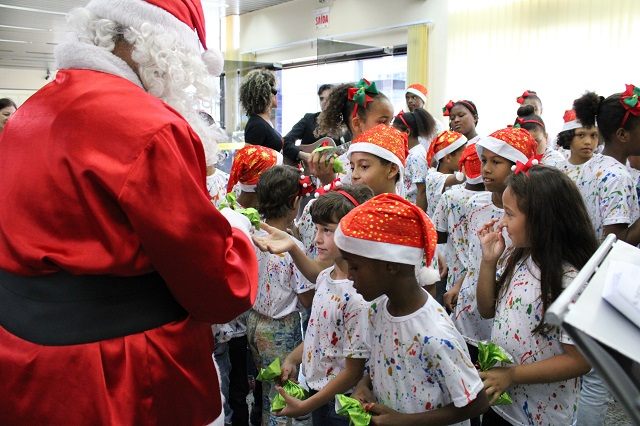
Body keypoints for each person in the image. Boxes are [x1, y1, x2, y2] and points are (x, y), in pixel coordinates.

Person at [0, 1, 258, 424]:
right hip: (120, 372)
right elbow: (215, 285)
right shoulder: (149, 125)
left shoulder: (30, 111)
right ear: (167, 48)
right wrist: (237, 230)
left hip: (26, 359)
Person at [336, 193, 489, 425]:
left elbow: (478, 402)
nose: (349, 275)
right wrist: (364, 385)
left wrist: (405, 421)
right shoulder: (378, 309)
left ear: (391, 266)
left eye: (355, 267)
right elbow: (388, 365)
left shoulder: (436, 335)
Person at [476, 165, 596, 425]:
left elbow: (579, 360)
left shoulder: (569, 282)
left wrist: (512, 375)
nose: (502, 222)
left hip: (541, 417)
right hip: (504, 406)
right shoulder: (519, 256)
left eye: (509, 214)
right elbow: (486, 310)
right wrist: (488, 261)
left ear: (542, 220)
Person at [253, 184, 374, 425]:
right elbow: (317, 335)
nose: (317, 238)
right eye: (317, 228)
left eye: (327, 230)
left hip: (342, 403)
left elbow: (353, 373)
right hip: (318, 393)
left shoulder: (358, 297)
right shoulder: (324, 277)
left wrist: (307, 405)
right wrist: (292, 359)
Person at [571, 86, 640, 426]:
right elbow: (615, 243)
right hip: (602, 280)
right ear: (623, 135)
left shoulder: (592, 166)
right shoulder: (618, 176)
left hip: (582, 273)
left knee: (587, 377)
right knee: (597, 380)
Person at [445, 127, 538, 375]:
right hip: (468, 309)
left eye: (496, 162)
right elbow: (474, 257)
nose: (485, 169)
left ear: (518, 167)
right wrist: (458, 285)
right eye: (484, 160)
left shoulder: (527, 216)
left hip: (500, 317)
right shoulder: (474, 205)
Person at [248, 165, 316, 426]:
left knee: (267, 388)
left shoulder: (253, 235)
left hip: (254, 323)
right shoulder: (292, 247)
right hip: (280, 330)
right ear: (294, 203)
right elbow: (307, 299)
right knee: (284, 395)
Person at [296, 81, 394, 258]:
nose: (389, 129)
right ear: (357, 124)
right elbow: (333, 218)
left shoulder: (389, 159)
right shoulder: (340, 165)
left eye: (390, 122)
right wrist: (328, 182)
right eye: (382, 122)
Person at [433, 144, 485, 300]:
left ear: (463, 167)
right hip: (485, 279)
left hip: (455, 278)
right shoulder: (494, 199)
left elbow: (439, 235)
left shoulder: (450, 197)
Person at [240, 68, 310, 165]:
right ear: (266, 94)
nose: (277, 94)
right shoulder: (257, 125)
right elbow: (248, 163)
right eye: (275, 90)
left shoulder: (264, 122)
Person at [392, 108, 436, 210]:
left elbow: (422, 190)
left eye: (395, 131)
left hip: (412, 209)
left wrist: (418, 216)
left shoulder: (416, 156)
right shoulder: (409, 153)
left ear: (407, 132)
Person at [424, 130, 468, 218]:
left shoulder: (457, 174)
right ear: (448, 157)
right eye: (463, 155)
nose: (466, 158)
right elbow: (460, 178)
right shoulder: (432, 178)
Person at [556, 109, 599, 182]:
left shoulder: (604, 167)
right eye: (581, 135)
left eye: (593, 135)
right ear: (568, 137)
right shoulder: (558, 171)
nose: (588, 142)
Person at [404, 83, 445, 150]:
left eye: (414, 97)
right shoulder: (404, 122)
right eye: (407, 98)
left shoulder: (436, 124)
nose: (409, 101)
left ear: (423, 101)